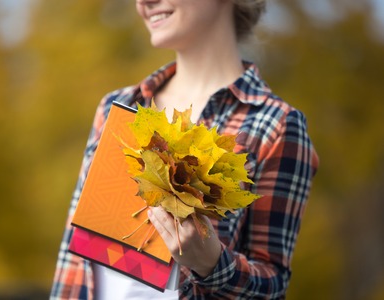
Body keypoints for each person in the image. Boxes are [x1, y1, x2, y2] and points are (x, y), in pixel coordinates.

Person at [50, 0, 319, 299]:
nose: (144, 2)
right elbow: (72, 263)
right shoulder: (118, 106)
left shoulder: (277, 125)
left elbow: (273, 284)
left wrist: (213, 264)